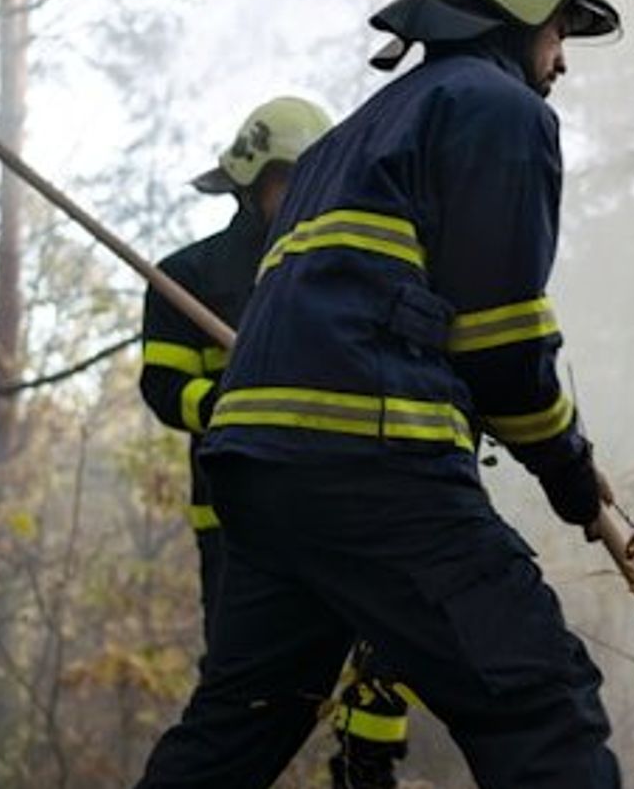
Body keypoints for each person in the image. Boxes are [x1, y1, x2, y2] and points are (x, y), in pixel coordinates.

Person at [182, 0, 625, 787]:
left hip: (260, 476)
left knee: (239, 726)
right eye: (562, 27)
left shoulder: (350, 136)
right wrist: (571, 472)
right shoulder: (497, 109)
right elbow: (500, 338)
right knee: (540, 699)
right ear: (521, 1)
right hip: (373, 465)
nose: (563, 58)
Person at [134, 97, 412, 788]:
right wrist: (240, 403)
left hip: (346, 504)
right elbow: (166, 391)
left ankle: (365, 768)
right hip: (239, 522)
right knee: (245, 691)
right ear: (251, 182)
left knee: (387, 650)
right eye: (287, 180)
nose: (300, 196)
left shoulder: (348, 269)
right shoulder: (188, 278)